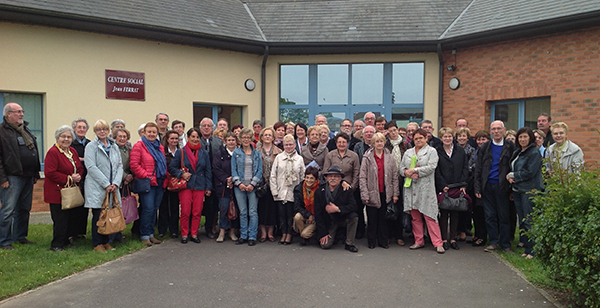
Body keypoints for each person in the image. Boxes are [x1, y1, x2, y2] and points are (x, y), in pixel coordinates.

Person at [0, 103, 41, 250]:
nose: (21, 114)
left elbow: (33, 151)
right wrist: (2, 179)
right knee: (7, 210)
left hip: (28, 176)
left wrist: (36, 173)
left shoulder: (24, 130)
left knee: (24, 209)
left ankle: (20, 236)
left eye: (22, 111)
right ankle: (4, 241)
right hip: (12, 177)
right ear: (8, 114)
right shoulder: (2, 131)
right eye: (17, 112)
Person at [474, 120, 516, 253]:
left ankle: (505, 244)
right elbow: (478, 169)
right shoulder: (484, 147)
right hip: (487, 186)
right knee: (490, 215)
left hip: (502, 186)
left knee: (504, 215)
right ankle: (493, 242)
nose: (496, 131)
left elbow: (513, 166)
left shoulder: (510, 146)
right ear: (490, 131)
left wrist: (511, 189)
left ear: (504, 130)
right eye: (494, 129)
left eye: (499, 129)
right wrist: (477, 188)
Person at [400, 129, 445, 254]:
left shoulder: (432, 151)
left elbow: (431, 167)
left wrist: (415, 171)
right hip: (411, 188)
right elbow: (401, 168)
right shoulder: (408, 152)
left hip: (425, 189)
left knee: (430, 216)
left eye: (421, 138)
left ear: (426, 138)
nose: (418, 140)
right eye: (416, 138)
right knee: (415, 217)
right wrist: (406, 172)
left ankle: (438, 243)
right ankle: (418, 241)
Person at [84, 120, 123, 252]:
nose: (102, 131)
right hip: (98, 186)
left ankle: (106, 241)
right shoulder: (91, 146)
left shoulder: (114, 146)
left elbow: (119, 166)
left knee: (109, 214)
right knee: (98, 216)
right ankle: (97, 243)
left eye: (104, 129)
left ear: (108, 131)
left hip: (113, 187)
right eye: (99, 129)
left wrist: (116, 183)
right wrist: (106, 184)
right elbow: (91, 167)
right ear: (95, 131)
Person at [44, 125, 84, 251]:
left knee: (71, 218)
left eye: (69, 137)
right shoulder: (53, 152)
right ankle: (56, 244)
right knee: (60, 220)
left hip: (71, 191)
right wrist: (70, 178)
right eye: (63, 137)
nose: (66, 139)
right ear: (57, 138)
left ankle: (67, 241)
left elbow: (80, 168)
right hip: (57, 192)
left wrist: (78, 176)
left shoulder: (72, 151)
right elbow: (50, 172)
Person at [169, 128, 212, 244]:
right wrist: (181, 174)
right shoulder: (181, 152)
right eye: (193, 136)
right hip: (186, 185)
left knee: (197, 211)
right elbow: (171, 168)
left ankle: (194, 233)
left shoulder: (204, 153)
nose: (195, 139)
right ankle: (184, 234)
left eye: (197, 137)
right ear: (187, 137)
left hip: (200, 185)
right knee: (185, 211)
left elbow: (208, 171)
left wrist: (208, 187)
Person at [507, 127, 543, 259]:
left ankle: (533, 250)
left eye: (525, 137)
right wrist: (512, 178)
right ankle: (527, 248)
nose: (522, 139)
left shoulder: (534, 153)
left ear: (530, 138)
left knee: (529, 220)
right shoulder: (518, 152)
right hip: (517, 190)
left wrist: (512, 175)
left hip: (529, 190)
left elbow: (530, 172)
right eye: (520, 137)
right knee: (522, 221)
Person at [360, 132, 399, 249]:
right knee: (372, 219)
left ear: (384, 142)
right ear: (373, 143)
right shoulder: (367, 157)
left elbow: (394, 176)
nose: (379, 143)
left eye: (381, 141)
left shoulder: (389, 157)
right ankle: (371, 241)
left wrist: (395, 194)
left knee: (383, 219)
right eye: (377, 141)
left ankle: (383, 241)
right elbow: (362, 176)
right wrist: (365, 194)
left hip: (386, 192)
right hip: (372, 192)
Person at [130, 122, 167, 247]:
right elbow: (134, 165)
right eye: (149, 132)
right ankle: (144, 234)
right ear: (144, 133)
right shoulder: (139, 146)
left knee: (154, 209)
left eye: (154, 132)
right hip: (147, 182)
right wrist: (146, 175)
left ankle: (151, 234)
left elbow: (163, 163)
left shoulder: (159, 146)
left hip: (159, 181)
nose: (151, 134)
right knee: (148, 209)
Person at [435, 127, 471, 251]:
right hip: (444, 186)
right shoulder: (437, 151)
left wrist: (463, 184)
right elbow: (436, 170)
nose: (447, 138)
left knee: (455, 213)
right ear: (441, 138)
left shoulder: (460, 151)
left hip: (457, 186)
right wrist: (442, 184)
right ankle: (444, 239)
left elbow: (465, 168)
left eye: (449, 136)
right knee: (443, 213)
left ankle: (453, 239)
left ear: (453, 138)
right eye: (445, 136)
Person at [314, 165, 359, 253]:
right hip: (328, 221)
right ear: (326, 178)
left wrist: (338, 209)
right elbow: (318, 214)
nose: (333, 178)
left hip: (342, 218)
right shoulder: (319, 192)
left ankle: (349, 243)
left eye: (336, 176)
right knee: (325, 245)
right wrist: (323, 233)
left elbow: (354, 206)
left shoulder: (346, 189)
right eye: (330, 176)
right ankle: (334, 236)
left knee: (354, 217)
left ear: (340, 179)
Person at [270, 134, 304, 245]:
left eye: (290, 144)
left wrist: (300, 193)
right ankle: (283, 233)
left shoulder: (299, 159)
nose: (288, 147)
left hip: (293, 191)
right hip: (281, 191)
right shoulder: (279, 158)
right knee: (281, 215)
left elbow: (302, 176)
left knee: (290, 215)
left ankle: (289, 234)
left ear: (294, 145)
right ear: (283, 145)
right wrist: (274, 191)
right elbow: (273, 175)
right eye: (286, 145)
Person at [232, 128, 263, 246]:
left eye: (248, 137)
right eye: (243, 137)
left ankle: (252, 236)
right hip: (239, 186)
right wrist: (239, 183)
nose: (246, 140)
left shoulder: (257, 153)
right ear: (240, 139)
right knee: (243, 212)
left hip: (252, 186)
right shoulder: (236, 153)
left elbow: (260, 170)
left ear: (251, 139)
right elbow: (233, 170)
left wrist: (252, 184)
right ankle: (243, 235)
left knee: (253, 212)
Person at [256, 127, 282, 242]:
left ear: (273, 137)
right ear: (261, 137)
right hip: (260, 184)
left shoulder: (279, 152)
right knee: (261, 208)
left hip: (273, 184)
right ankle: (262, 232)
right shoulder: (256, 151)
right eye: (265, 135)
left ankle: (270, 233)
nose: (267, 137)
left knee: (272, 209)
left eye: (269, 135)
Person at [213, 132, 239, 242]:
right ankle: (222, 231)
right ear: (225, 141)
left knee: (235, 209)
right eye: (229, 140)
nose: (231, 142)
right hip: (223, 186)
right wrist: (226, 179)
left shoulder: (239, 153)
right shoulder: (219, 154)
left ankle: (232, 232)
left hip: (237, 186)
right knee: (223, 209)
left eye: (233, 140)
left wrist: (235, 179)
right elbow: (216, 168)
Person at [384, 121, 407, 246]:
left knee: (399, 208)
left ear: (397, 130)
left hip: (403, 180)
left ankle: (399, 235)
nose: (393, 133)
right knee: (388, 207)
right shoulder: (385, 145)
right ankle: (388, 235)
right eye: (390, 131)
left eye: (394, 130)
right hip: (388, 180)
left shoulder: (406, 144)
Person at [199, 117, 223, 239]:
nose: (207, 128)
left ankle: (210, 228)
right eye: (204, 126)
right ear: (201, 128)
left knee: (212, 205)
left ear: (213, 128)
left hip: (215, 178)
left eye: (209, 126)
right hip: (200, 177)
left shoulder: (218, 142)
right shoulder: (197, 141)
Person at [70, 117, 91, 242]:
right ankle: (71, 233)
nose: (82, 129)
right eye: (79, 127)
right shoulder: (70, 142)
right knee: (74, 207)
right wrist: (81, 159)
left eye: (84, 127)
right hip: (74, 178)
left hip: (87, 178)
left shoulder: (89, 143)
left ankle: (80, 232)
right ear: (74, 129)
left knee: (84, 207)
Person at [468, 130, 490, 247]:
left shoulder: (488, 151)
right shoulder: (475, 151)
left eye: (483, 139)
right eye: (479, 139)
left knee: (483, 213)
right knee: (476, 212)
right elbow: (470, 166)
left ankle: (483, 236)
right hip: (474, 185)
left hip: (484, 185)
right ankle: (477, 234)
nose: (481, 141)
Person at [112, 128, 133, 244]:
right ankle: (112, 233)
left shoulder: (128, 149)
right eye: (119, 136)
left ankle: (119, 233)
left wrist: (129, 176)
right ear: (115, 137)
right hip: (116, 181)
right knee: (114, 209)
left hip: (126, 183)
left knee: (122, 209)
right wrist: (125, 176)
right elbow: (114, 166)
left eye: (124, 136)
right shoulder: (112, 149)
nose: (122, 138)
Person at [455, 127, 476, 242]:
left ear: (468, 138)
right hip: (454, 182)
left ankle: (463, 230)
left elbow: (472, 166)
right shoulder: (454, 149)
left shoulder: (472, 150)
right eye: (459, 136)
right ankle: (455, 230)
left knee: (465, 207)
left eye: (464, 136)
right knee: (454, 207)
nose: (462, 138)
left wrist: (462, 171)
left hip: (468, 181)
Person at [158, 130, 180, 239]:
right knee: (163, 207)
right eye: (172, 138)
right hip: (164, 181)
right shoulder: (162, 151)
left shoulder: (180, 152)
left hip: (176, 183)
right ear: (167, 139)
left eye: (176, 138)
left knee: (174, 207)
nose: (174, 141)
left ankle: (174, 230)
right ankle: (162, 229)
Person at [293, 166, 320, 246]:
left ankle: (312, 234)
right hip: (306, 214)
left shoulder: (321, 187)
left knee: (305, 234)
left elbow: (322, 207)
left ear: (316, 179)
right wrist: (308, 215)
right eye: (307, 177)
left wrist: (313, 216)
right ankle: (304, 237)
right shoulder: (299, 188)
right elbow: (297, 206)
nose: (309, 180)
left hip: (317, 217)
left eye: (311, 178)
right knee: (297, 217)